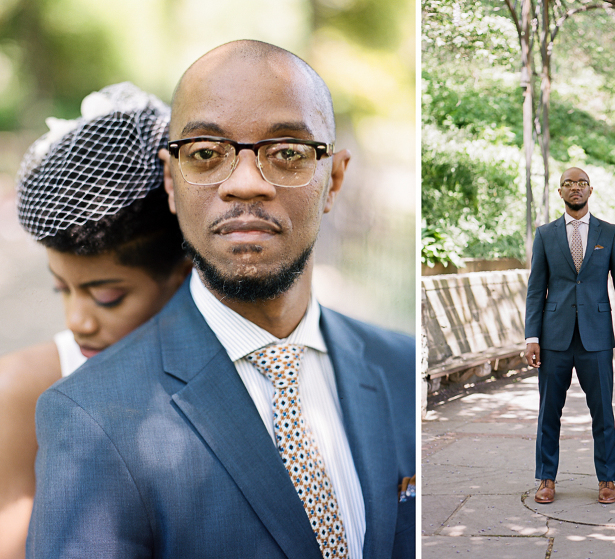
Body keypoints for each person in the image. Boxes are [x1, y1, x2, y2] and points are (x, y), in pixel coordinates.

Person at [27, 41, 415, 559]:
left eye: (287, 153)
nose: (246, 183)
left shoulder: (404, 367)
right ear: (170, 179)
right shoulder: (89, 416)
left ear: (334, 180)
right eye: (206, 154)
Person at [0, 83, 191, 559]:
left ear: (182, 274)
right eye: (60, 288)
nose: (77, 320)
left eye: (107, 296)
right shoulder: (24, 385)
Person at [525, 167, 615, 505]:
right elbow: (536, 290)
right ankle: (546, 478)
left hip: (596, 338)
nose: (575, 188)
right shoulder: (545, 235)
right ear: (560, 192)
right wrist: (530, 337)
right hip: (554, 339)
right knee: (549, 411)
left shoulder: (609, 233)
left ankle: (607, 480)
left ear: (590, 190)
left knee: (603, 412)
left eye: (581, 183)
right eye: (568, 183)